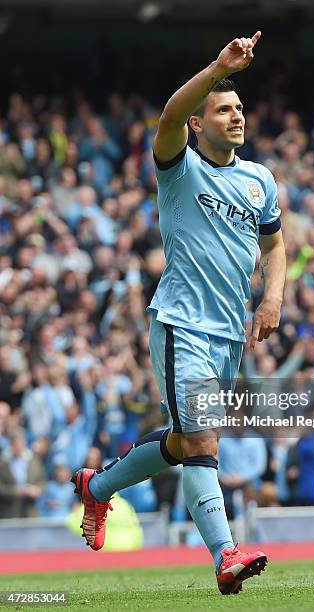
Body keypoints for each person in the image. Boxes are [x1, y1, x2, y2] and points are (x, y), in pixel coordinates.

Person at [71, 31, 286, 595]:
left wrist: (273, 297)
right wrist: (217, 69)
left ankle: (96, 489)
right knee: (204, 444)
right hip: (182, 324)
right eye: (222, 108)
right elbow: (168, 115)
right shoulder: (179, 168)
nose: (236, 116)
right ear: (199, 121)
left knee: (184, 442)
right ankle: (225, 555)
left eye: (239, 107)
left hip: (229, 336)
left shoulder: (259, 179)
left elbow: (276, 245)